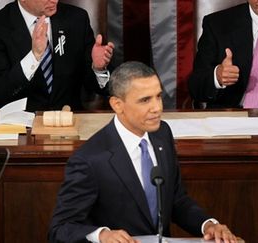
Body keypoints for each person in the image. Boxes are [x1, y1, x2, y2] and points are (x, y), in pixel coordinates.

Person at [49, 61, 238, 243]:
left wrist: (207, 225)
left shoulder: (162, 133)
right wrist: (102, 236)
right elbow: (60, 229)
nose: (157, 108)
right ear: (117, 105)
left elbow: (175, 200)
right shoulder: (90, 159)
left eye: (158, 96)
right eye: (145, 100)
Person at [0, 0, 115, 111]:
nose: (54, 0)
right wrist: (34, 56)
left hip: (68, 123)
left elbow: (96, 86)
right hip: (19, 127)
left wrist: (98, 69)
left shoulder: (76, 19)